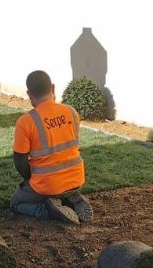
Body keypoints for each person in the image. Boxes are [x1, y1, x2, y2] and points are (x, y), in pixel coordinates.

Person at [11, 70, 94, 224]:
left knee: (16, 203)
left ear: (29, 94)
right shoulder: (71, 112)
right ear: (53, 88)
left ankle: (47, 210)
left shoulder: (26, 121)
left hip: (47, 185)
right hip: (77, 179)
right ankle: (71, 198)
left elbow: (20, 162)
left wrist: (32, 179)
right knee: (63, 189)